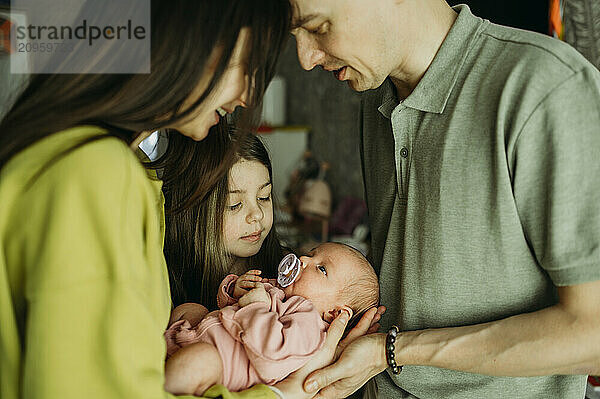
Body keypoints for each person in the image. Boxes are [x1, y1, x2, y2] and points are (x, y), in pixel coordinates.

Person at [0, 1, 364, 398]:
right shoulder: (96, 174)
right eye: (245, 65)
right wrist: (286, 393)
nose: (246, 96)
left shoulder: (94, 165)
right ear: (188, 46)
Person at [288, 0, 600, 398]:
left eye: (317, 27)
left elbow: (593, 333)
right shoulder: (375, 98)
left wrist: (392, 351)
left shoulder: (546, 87)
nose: (305, 58)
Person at [163, 242, 379, 396]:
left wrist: (256, 306)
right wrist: (236, 291)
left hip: (220, 363)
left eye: (321, 268)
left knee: (199, 360)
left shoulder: (309, 328)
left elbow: (270, 358)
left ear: (334, 313)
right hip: (205, 332)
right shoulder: (279, 290)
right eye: (311, 254)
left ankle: (158, 389)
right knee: (191, 309)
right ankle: (165, 349)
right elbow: (233, 313)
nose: (303, 259)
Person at [163, 131, 285, 313]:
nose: (257, 214)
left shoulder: (288, 272)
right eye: (234, 205)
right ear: (194, 211)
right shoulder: (169, 282)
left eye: (263, 197)